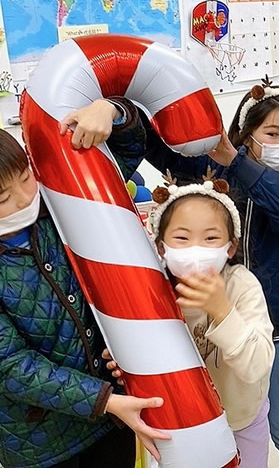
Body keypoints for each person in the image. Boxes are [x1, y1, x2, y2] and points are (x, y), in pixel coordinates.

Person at [142, 78, 279, 468]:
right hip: (212, 320)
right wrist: (124, 110)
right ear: (247, 133)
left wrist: (238, 162)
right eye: (272, 132)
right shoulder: (212, 170)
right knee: (223, 419)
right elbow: (157, 147)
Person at [0, 98, 169, 468]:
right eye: (3, 198)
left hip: (112, 419)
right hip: (41, 441)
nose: (26, 198)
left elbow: (121, 158)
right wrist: (103, 399)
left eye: (26, 177)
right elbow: (10, 366)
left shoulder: (55, 203)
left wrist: (114, 113)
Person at [146, 175, 273, 466]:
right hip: (179, 424)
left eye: (211, 238)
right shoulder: (153, 292)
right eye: (182, 238)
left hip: (240, 420)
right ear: (161, 247)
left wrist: (222, 311)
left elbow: (257, 366)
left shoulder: (242, 285)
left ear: (230, 247)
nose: (196, 249)